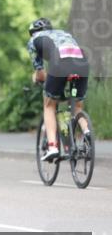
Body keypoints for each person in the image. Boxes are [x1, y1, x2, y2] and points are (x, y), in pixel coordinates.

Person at [27, 18, 90, 162]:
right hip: (81, 62)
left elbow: (41, 73)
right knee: (76, 106)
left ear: (33, 32)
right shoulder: (64, 34)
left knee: (49, 105)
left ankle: (53, 147)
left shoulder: (34, 40)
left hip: (60, 62)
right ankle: (87, 132)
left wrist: (36, 78)